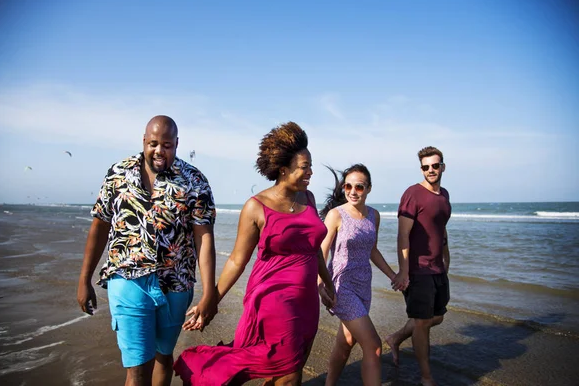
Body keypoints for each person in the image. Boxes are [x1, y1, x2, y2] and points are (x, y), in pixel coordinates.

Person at [174, 121, 336, 385]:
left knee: (291, 364)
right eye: (305, 168)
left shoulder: (308, 198)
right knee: (291, 373)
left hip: (306, 300)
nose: (311, 173)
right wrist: (211, 298)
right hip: (273, 298)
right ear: (284, 169)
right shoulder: (256, 207)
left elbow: (313, 248)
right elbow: (238, 259)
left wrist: (328, 284)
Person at [76, 115, 217, 386]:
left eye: (167, 144)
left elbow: (204, 237)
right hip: (128, 279)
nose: (159, 151)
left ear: (177, 144)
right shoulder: (118, 173)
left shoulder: (194, 180)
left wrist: (209, 292)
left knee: (164, 357)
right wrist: (84, 279)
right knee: (138, 368)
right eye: (153, 143)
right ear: (144, 141)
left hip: (176, 284)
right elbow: (99, 227)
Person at [318, 164, 406, 386]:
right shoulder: (336, 215)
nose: (353, 191)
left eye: (359, 186)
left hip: (363, 285)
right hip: (341, 285)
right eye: (348, 186)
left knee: (346, 341)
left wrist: (392, 274)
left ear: (368, 188)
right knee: (373, 345)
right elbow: (322, 250)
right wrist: (320, 284)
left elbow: (372, 250)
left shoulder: (374, 216)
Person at [385, 146, 451, 386]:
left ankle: (396, 337)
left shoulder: (444, 194)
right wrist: (403, 270)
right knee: (422, 323)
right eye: (425, 167)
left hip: (438, 267)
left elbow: (441, 228)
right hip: (418, 268)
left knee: (438, 316)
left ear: (443, 166)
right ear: (421, 169)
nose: (430, 170)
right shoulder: (412, 193)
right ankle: (426, 377)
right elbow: (403, 235)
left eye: (435, 165)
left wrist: (446, 256)